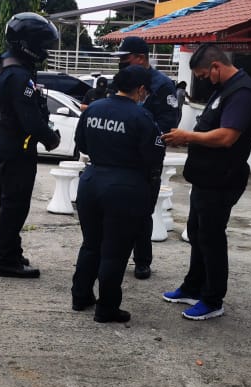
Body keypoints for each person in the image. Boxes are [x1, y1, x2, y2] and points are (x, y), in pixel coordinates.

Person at [160, 44, 251, 320]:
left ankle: (212, 298)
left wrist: (188, 137)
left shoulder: (242, 92)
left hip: (222, 179)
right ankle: (193, 286)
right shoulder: (224, 89)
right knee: (196, 232)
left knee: (211, 238)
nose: (204, 80)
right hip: (206, 177)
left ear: (216, 66)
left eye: (205, 75)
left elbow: (228, 136)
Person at [70, 65, 165, 323]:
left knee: (91, 244)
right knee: (114, 251)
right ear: (141, 89)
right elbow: (154, 157)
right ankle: (107, 307)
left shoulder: (93, 110)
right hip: (124, 186)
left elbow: (82, 144)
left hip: (91, 181)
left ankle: (80, 296)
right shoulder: (142, 117)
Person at [0, 12, 61, 278]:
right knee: (15, 206)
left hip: (0, 140)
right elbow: (31, 122)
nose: (45, 51)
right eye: (42, 45)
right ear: (27, 43)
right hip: (16, 146)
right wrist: (52, 139)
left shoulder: (0, 62)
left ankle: (12, 253)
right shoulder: (18, 75)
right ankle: (7, 262)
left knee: (9, 204)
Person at [111, 36, 178, 280]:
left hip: (145, 160)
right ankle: (114, 256)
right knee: (116, 211)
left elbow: (168, 125)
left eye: (125, 59)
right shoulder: (123, 81)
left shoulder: (161, 85)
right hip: (120, 158)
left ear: (140, 58)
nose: (122, 64)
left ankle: (142, 261)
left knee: (141, 213)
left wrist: (142, 136)